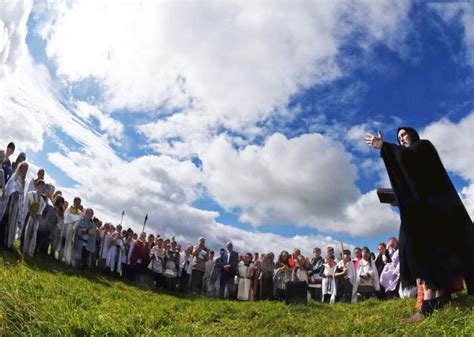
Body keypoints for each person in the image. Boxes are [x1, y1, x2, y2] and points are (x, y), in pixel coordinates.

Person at [365, 127, 474, 319]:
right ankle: (434, 304)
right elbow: (405, 175)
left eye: (404, 135)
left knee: (436, 257)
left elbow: (409, 161)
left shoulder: (423, 147)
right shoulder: (407, 154)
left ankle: (429, 307)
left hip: (437, 213)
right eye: (398, 138)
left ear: (413, 135)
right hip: (422, 214)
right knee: (426, 257)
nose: (401, 140)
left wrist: (385, 147)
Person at [0, 161, 28, 248]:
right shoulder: (14, 177)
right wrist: (11, 194)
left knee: (12, 223)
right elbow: (8, 188)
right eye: (23, 168)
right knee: (5, 220)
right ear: (20, 168)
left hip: (16, 205)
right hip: (9, 202)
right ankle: (1, 240)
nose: (23, 170)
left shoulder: (23, 182)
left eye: (25, 169)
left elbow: (22, 195)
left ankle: (7, 242)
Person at [23, 179, 47, 257]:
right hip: (30, 215)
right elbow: (29, 205)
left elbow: (40, 211)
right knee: (27, 232)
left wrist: (37, 216)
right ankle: (25, 249)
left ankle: (30, 251)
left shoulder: (43, 201)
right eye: (40, 186)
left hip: (36, 218)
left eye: (43, 187)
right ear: (37, 186)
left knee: (33, 234)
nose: (42, 188)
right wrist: (32, 214)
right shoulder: (31, 194)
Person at [62, 197, 83, 265]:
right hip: (66, 227)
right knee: (64, 242)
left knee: (70, 244)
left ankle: (68, 260)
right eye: (76, 202)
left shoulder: (79, 212)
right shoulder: (69, 208)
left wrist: (74, 227)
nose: (77, 204)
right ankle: (63, 257)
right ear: (74, 201)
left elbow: (78, 221)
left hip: (73, 229)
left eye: (79, 203)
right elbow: (65, 216)